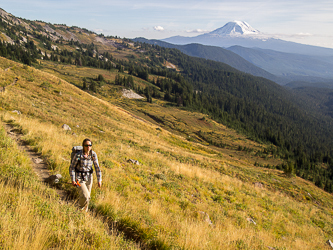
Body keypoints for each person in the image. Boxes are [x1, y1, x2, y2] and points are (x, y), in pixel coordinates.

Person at [69, 138, 102, 212]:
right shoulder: (78, 155)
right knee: (85, 196)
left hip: (89, 178)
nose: (88, 147)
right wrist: (73, 180)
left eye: (90, 145)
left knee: (88, 198)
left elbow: (97, 167)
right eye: (86, 145)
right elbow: (72, 167)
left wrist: (99, 180)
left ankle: (84, 213)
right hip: (79, 178)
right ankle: (79, 210)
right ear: (83, 146)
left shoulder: (93, 154)